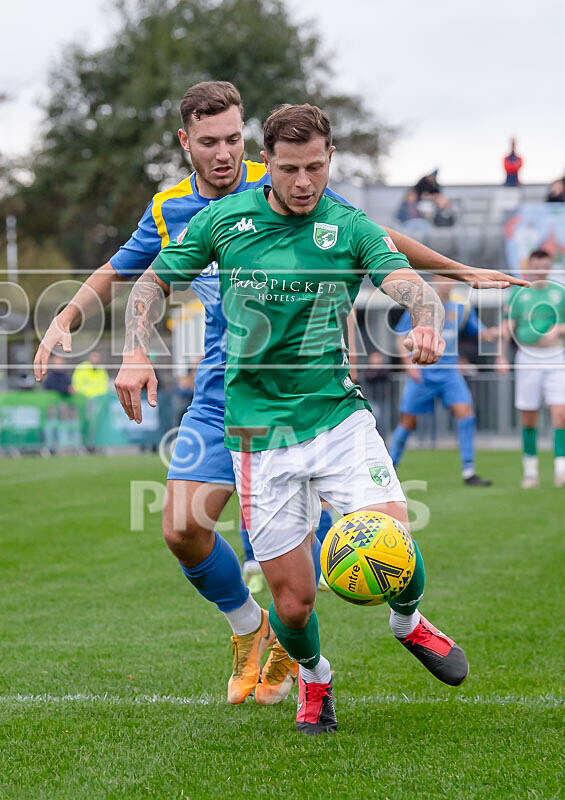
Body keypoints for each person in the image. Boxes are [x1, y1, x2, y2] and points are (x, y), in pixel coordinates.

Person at [34, 81, 527, 710]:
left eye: (234, 139)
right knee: (184, 528)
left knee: (371, 545)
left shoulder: (294, 174)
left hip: (322, 399)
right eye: (209, 142)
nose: (225, 154)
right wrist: (72, 321)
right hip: (227, 396)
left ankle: (375, 617)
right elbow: (127, 272)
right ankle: (255, 629)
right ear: (185, 142)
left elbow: (376, 240)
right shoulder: (177, 210)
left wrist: (450, 277)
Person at [389, 275, 495, 486]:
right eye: (443, 278)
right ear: (434, 280)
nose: (448, 282)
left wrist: (495, 332)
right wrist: (408, 365)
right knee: (407, 423)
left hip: (449, 373)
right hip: (422, 372)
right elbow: (400, 338)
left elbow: (478, 332)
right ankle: (389, 470)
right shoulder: (421, 304)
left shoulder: (460, 306)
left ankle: (469, 472)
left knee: (466, 414)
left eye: (450, 279)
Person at [497, 249, 565, 488]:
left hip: (555, 357)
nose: (540, 268)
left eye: (544, 264)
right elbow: (507, 326)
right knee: (528, 417)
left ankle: (561, 470)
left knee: (560, 414)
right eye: (535, 264)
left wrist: (558, 329)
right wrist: (500, 356)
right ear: (530, 266)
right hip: (527, 357)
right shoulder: (519, 294)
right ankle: (530, 471)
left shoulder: (559, 292)